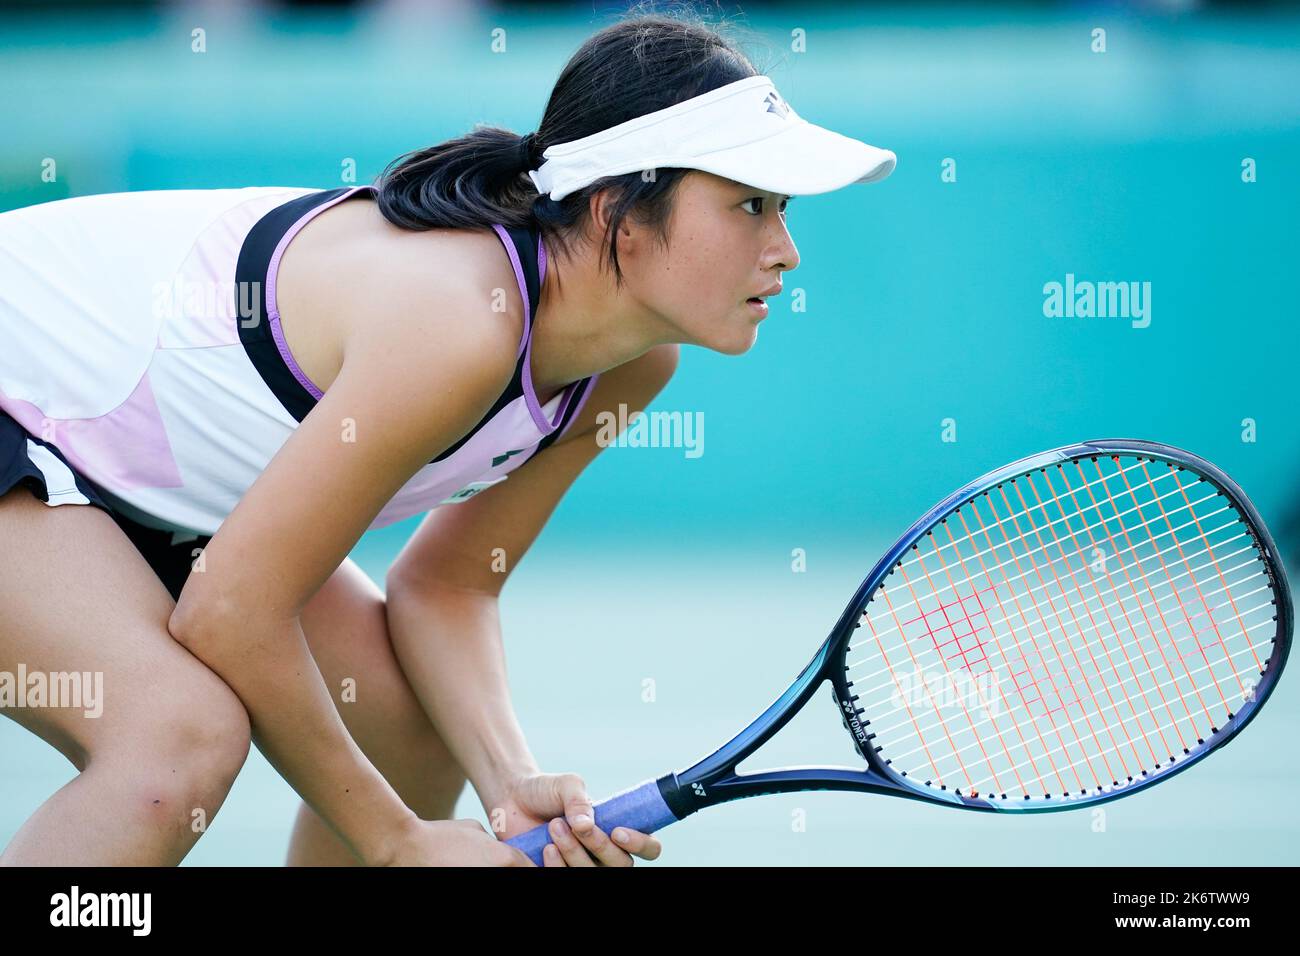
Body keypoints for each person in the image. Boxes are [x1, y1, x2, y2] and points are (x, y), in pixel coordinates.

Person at [0, 12, 893, 866]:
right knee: (175, 740)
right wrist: (395, 842)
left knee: (406, 721)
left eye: (782, 208)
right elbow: (229, 610)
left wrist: (509, 784)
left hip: (142, 476)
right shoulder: (456, 323)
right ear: (618, 208)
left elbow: (449, 585)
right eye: (750, 205)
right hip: (28, 409)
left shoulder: (631, 365)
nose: (786, 250)